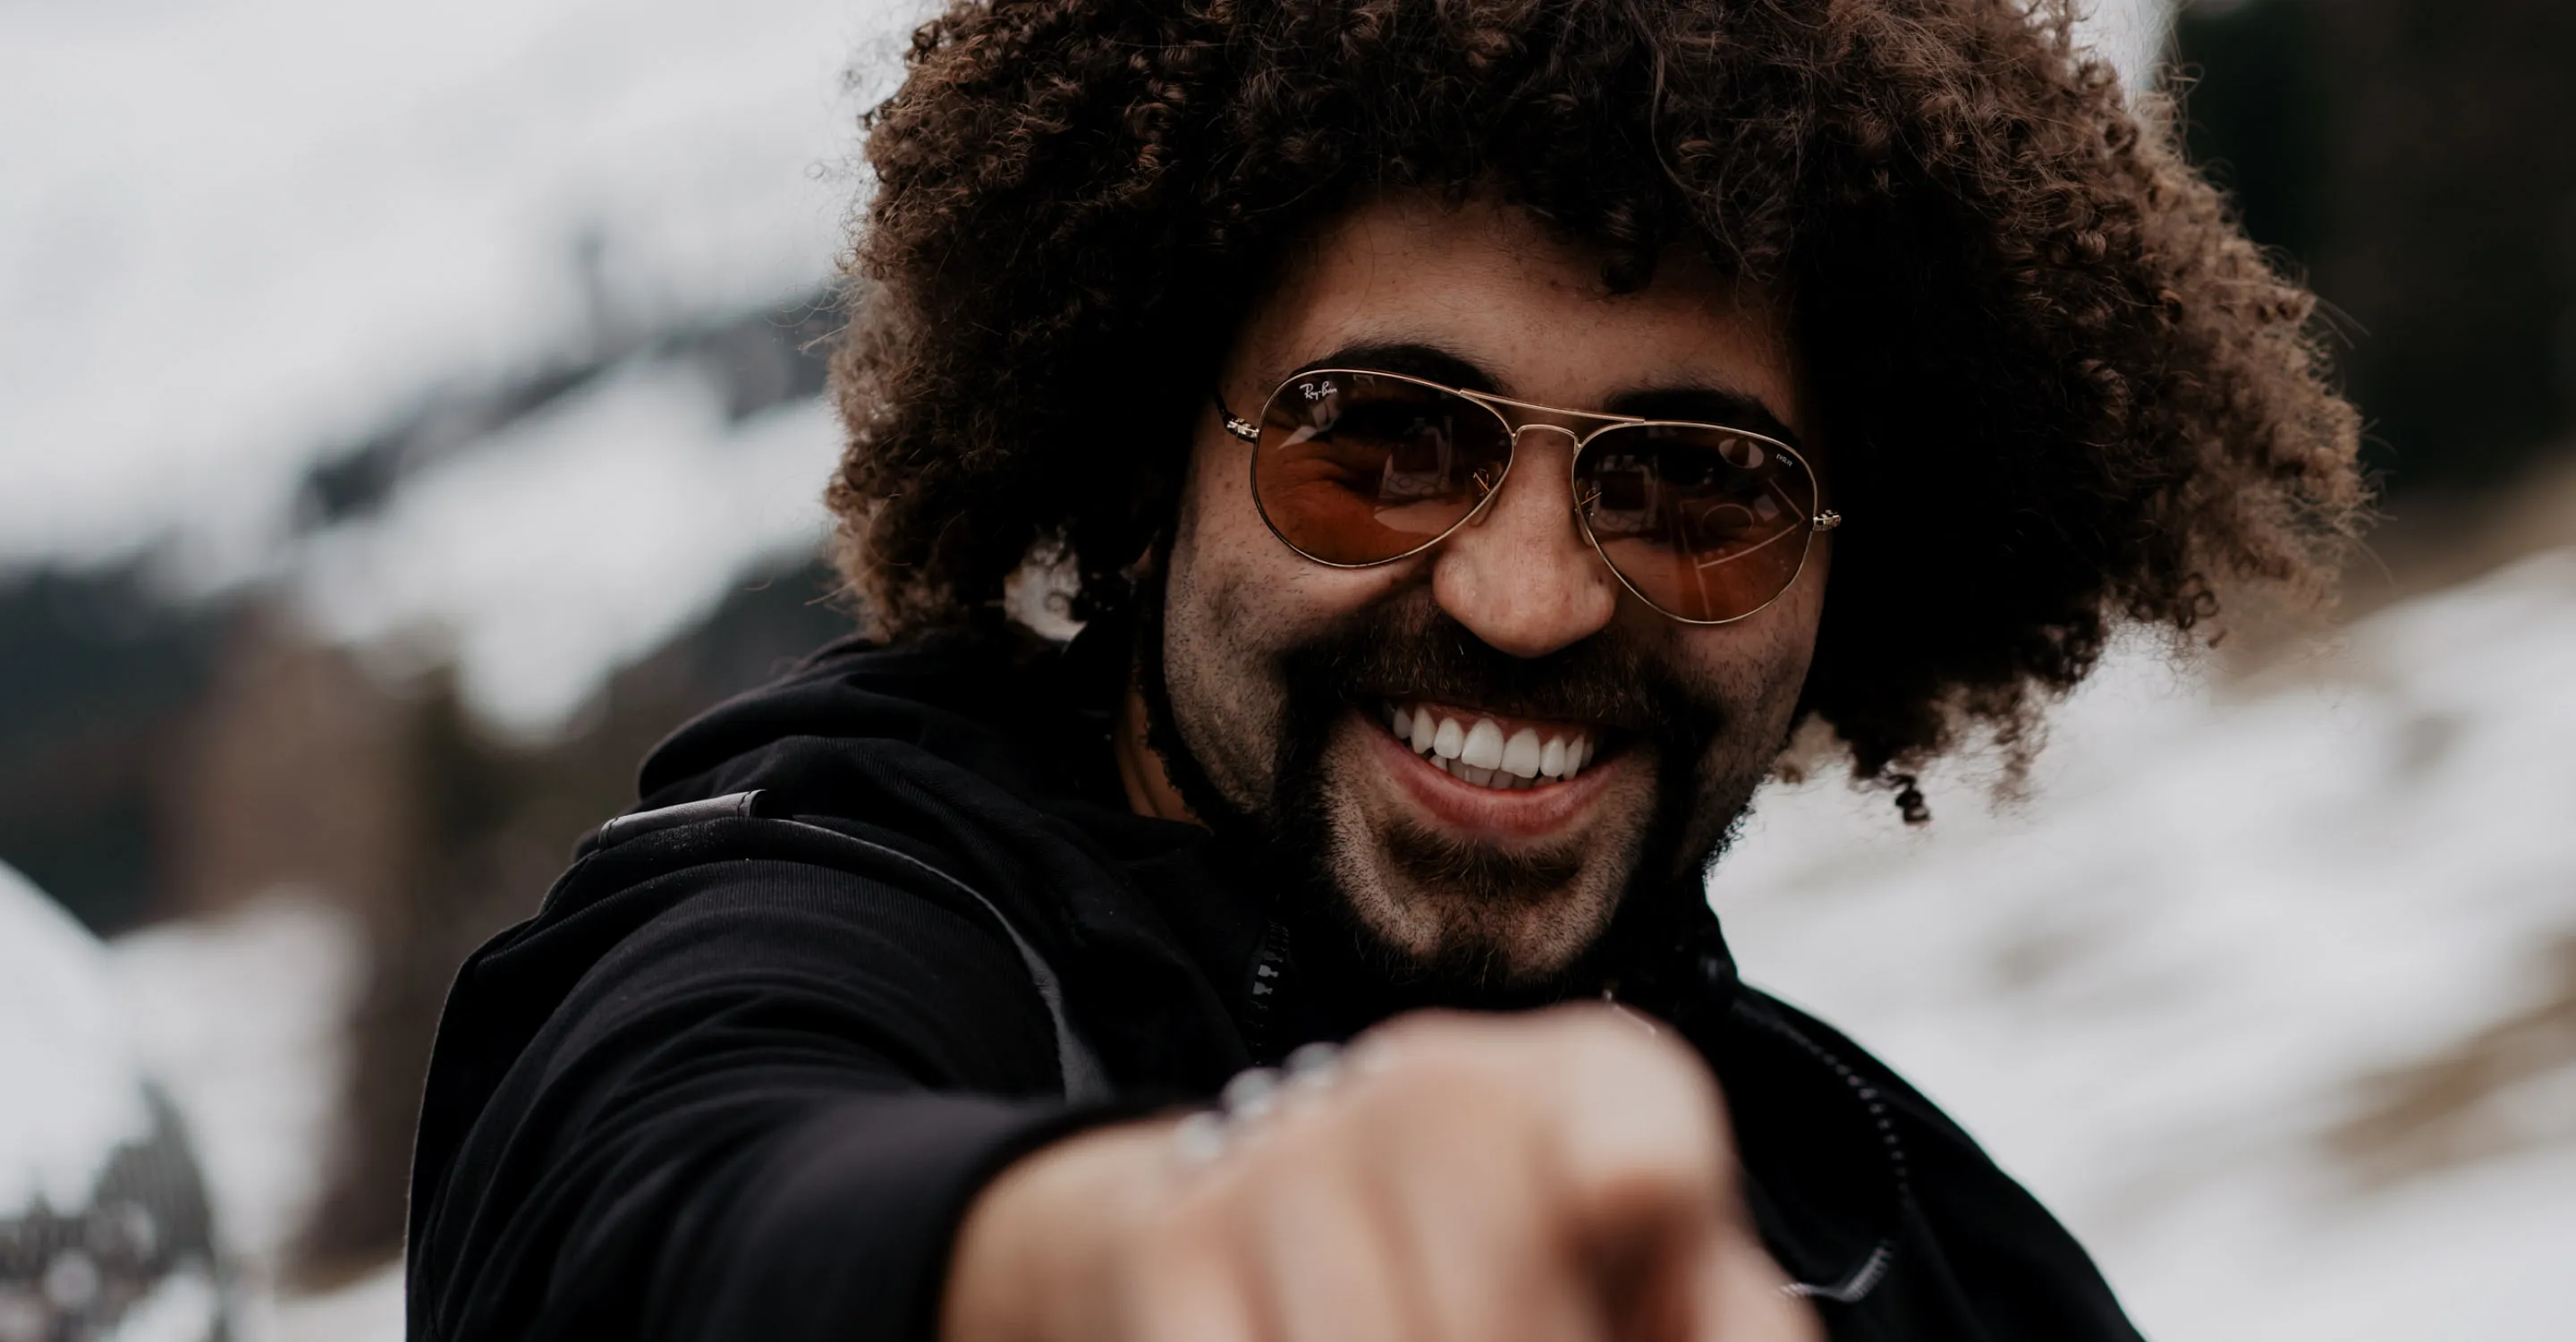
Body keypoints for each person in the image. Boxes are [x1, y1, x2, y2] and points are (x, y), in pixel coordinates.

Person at [406, 0, 2364, 1338]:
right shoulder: (834, 918)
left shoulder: (1913, 1249)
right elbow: (666, 1204)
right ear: (1153, 451)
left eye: (1693, 488)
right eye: (1384, 444)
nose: (1527, 600)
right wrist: (1141, 1256)